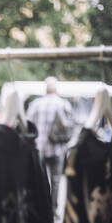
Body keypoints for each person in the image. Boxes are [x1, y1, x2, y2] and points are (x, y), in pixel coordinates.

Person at [27, 76, 73, 215]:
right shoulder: (64, 104)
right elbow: (71, 126)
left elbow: (27, 125)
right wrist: (67, 144)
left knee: (39, 179)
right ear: (56, 88)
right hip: (58, 148)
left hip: (39, 149)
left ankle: (41, 207)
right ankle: (53, 209)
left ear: (45, 88)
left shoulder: (36, 104)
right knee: (56, 180)